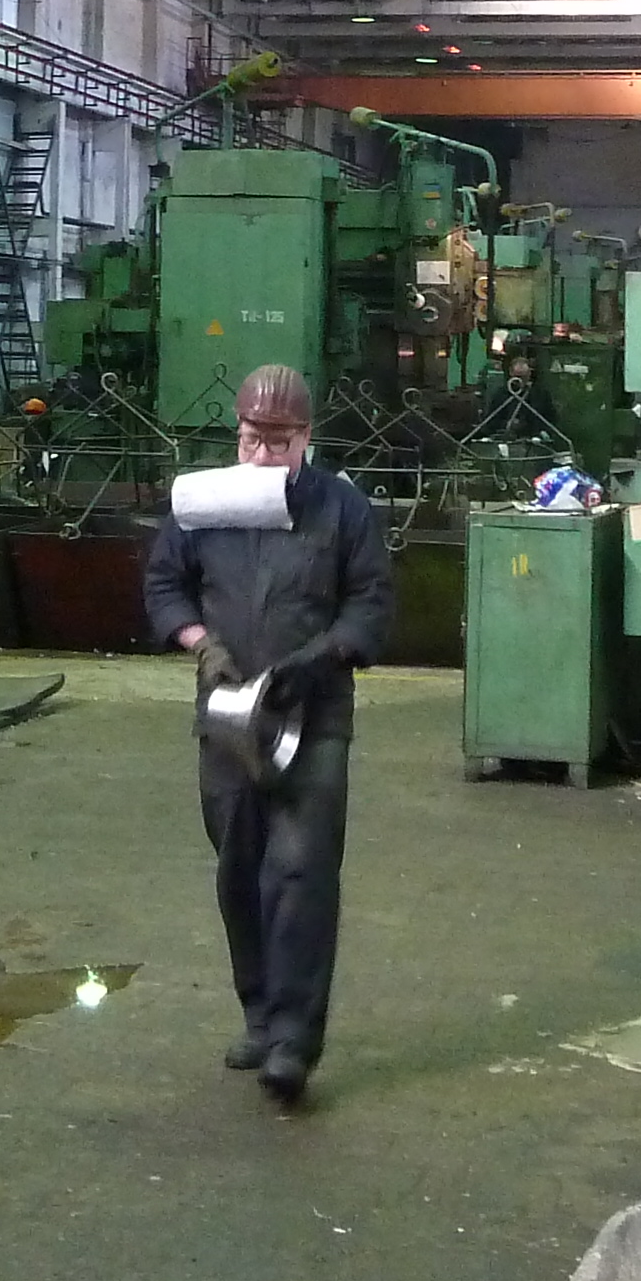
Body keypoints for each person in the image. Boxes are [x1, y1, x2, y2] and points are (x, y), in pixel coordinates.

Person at [142, 363, 393, 1107]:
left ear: (306, 439)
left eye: (279, 442)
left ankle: (292, 1041)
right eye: (253, 438)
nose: (262, 454)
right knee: (239, 866)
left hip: (314, 717)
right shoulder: (206, 505)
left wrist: (322, 658)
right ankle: (258, 1013)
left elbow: (371, 601)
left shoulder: (342, 509)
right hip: (227, 713)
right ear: (238, 433)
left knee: (301, 871)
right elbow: (164, 584)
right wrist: (200, 644)